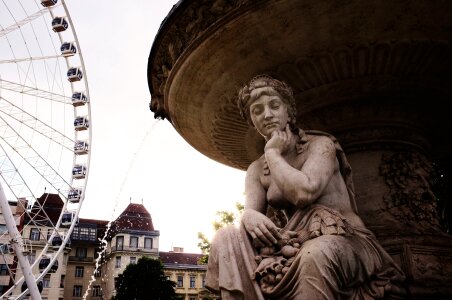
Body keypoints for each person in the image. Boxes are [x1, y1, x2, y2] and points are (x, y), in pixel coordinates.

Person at [205, 75, 405, 299]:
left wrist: (272, 153)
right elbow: (252, 212)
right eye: (257, 110)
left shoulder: (321, 146)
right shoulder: (256, 170)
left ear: (288, 111)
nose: (267, 114)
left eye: (274, 105)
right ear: (252, 120)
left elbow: (304, 193)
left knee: (315, 255)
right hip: (293, 242)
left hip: (346, 239)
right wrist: (248, 216)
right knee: (226, 236)